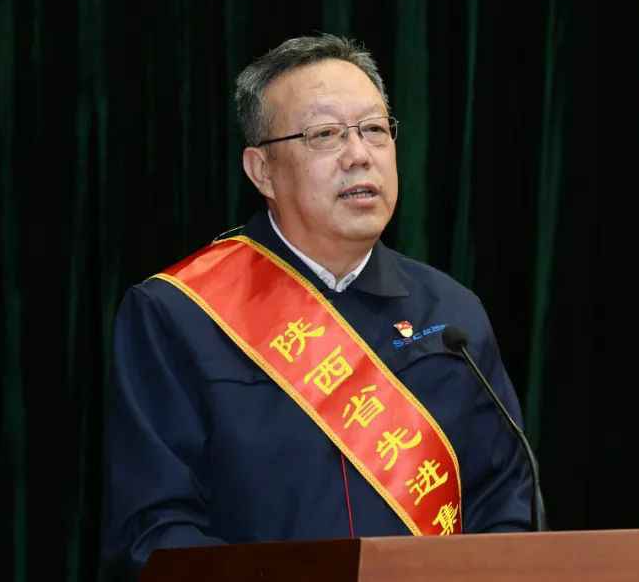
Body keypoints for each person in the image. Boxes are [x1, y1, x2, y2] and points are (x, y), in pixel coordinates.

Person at [101, 34, 532, 574]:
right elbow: (154, 528)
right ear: (262, 170)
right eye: (325, 135)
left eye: (374, 130)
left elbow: (505, 504)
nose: (359, 155)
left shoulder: (452, 312)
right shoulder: (178, 314)